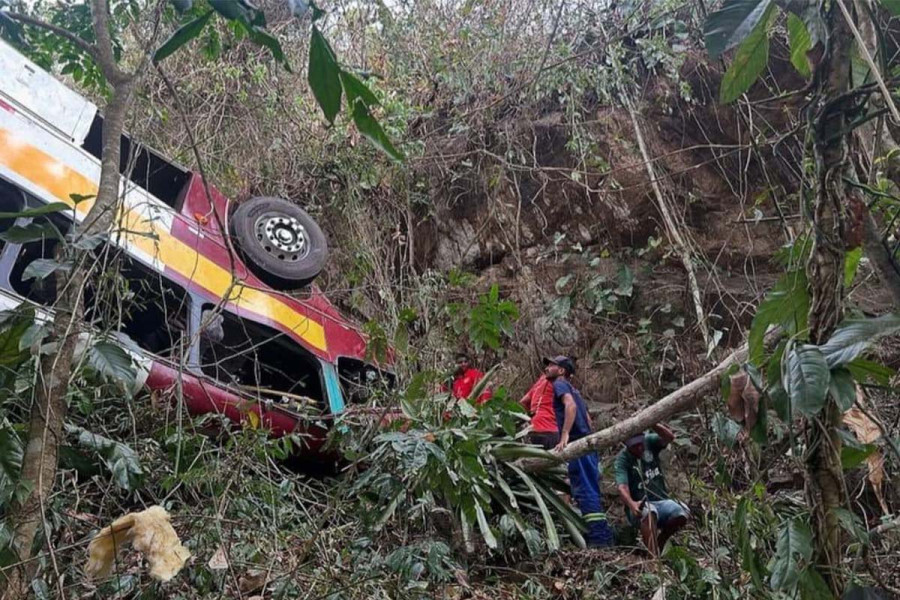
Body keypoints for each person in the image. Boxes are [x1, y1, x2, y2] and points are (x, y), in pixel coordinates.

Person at [545, 355, 614, 548]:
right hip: (587, 447)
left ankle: (599, 541)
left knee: (585, 491)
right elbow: (588, 419)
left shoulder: (560, 385)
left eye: (551, 365)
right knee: (589, 489)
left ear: (561, 371)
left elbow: (571, 406)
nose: (547, 368)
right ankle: (604, 537)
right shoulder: (575, 390)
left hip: (578, 447)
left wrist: (565, 434)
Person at [614, 423, 689, 556]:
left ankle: (661, 541)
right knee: (649, 512)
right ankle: (653, 558)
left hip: (661, 501)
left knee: (682, 512)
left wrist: (652, 422)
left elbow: (669, 437)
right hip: (640, 506)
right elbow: (622, 487)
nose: (639, 448)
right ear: (627, 445)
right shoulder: (623, 460)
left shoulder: (649, 442)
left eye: (640, 444)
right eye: (634, 446)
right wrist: (632, 504)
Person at [519, 372, 558, 449]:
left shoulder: (541, 381)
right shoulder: (560, 382)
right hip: (551, 430)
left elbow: (522, 403)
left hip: (533, 429)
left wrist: (528, 418)